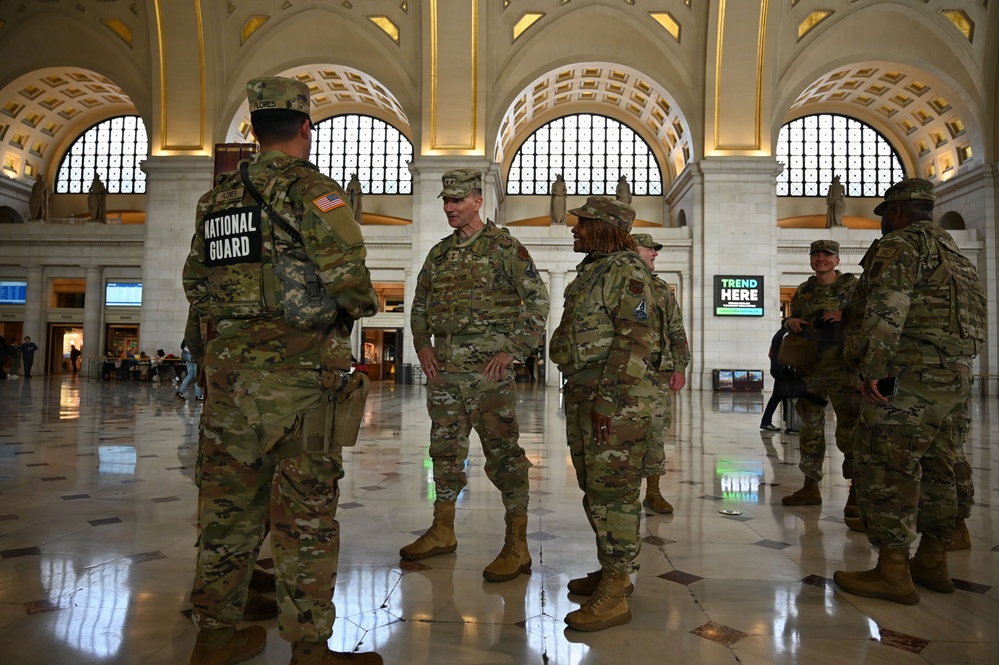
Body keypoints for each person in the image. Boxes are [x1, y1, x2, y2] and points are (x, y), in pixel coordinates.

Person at [182, 75, 381, 665]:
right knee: (305, 516)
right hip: (299, 383)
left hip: (229, 383)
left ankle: (214, 637)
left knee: (227, 512)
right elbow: (352, 283)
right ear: (305, 127)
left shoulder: (217, 200)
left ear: (253, 128)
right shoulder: (313, 191)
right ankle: (310, 649)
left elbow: (196, 284)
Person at [835, 178, 986, 605]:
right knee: (942, 469)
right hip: (954, 375)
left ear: (897, 212)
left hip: (909, 376)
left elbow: (888, 306)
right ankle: (933, 561)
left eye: (885, 215)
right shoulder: (955, 254)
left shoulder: (901, 244)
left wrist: (874, 368)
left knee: (888, 467)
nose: (884, 223)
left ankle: (893, 571)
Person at [404, 168, 549, 585]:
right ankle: (442, 529)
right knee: (444, 453)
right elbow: (419, 305)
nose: (450, 207)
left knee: (504, 457)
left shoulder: (504, 248)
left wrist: (514, 349)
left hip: (488, 377)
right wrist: (422, 344)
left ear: (477, 201)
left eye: (458, 200)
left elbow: (537, 301)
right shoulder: (439, 254)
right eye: (446, 201)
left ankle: (517, 544)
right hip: (445, 374)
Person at [549, 196, 659, 632]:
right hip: (587, 393)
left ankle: (616, 590)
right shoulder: (593, 270)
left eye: (582, 223)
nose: (574, 229)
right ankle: (612, 569)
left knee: (615, 493)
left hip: (616, 399)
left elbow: (635, 342)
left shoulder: (626, 271)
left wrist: (608, 401)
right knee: (595, 488)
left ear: (604, 228)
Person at [780, 239, 860, 516]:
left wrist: (845, 316)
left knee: (849, 429)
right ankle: (810, 486)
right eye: (816, 255)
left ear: (837, 260)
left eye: (827, 255)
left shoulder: (852, 287)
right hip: (811, 368)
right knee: (810, 430)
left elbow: (871, 318)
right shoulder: (805, 289)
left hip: (844, 369)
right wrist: (790, 322)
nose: (821, 259)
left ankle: (856, 490)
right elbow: (792, 319)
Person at [632, 233, 689, 514]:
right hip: (625, 373)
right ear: (633, 251)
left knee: (655, 431)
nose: (655, 254)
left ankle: (653, 491)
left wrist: (680, 366)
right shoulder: (618, 284)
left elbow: (677, 330)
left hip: (657, 374)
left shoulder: (662, 288)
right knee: (625, 434)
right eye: (650, 249)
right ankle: (624, 493)